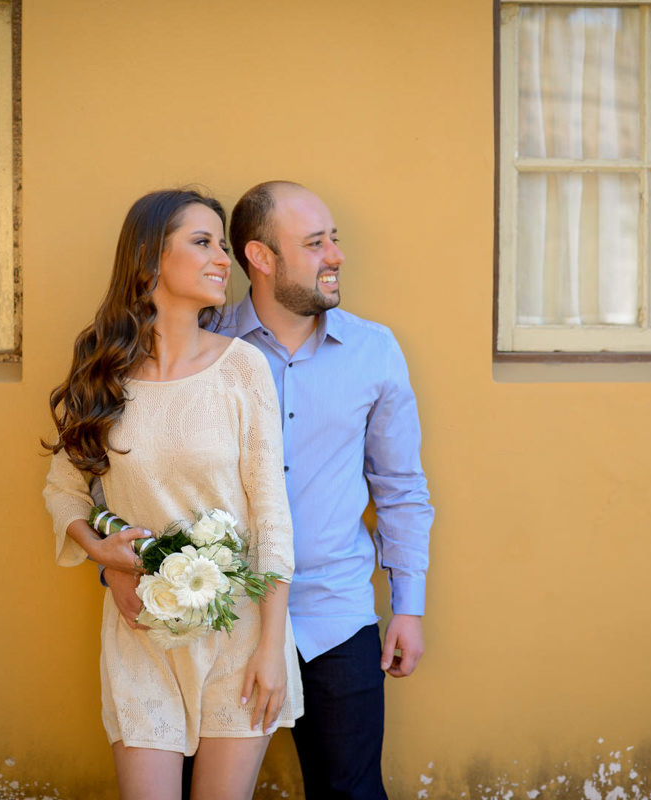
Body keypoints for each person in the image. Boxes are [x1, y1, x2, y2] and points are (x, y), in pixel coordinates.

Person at [105, 181, 433, 799]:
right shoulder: (200, 344)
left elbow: (400, 488)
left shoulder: (374, 350)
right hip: (210, 623)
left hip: (334, 615)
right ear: (260, 257)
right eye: (315, 243)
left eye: (334, 239)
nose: (335, 255)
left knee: (352, 792)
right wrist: (115, 566)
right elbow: (120, 473)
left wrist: (408, 606)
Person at [42, 188, 303, 800]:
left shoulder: (244, 369)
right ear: (149, 257)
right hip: (141, 631)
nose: (223, 258)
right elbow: (64, 490)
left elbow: (270, 515)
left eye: (222, 244)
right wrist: (101, 554)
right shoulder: (101, 372)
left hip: (238, 632)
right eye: (202, 242)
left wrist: (271, 647)